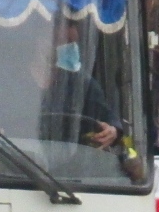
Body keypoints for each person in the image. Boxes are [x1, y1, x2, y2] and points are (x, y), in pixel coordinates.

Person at [28, 18, 121, 148]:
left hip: (72, 164)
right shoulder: (15, 82)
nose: (70, 50)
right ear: (40, 41)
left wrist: (113, 131)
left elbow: (110, 120)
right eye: (65, 43)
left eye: (73, 44)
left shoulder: (83, 85)